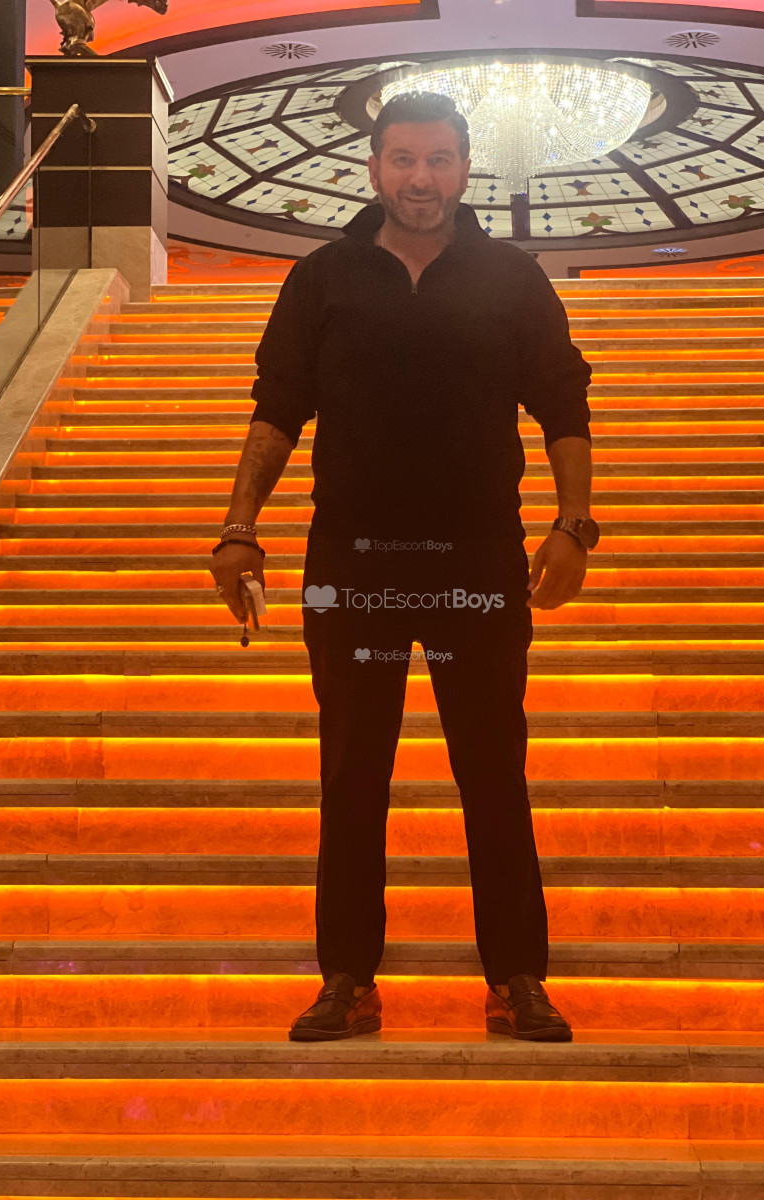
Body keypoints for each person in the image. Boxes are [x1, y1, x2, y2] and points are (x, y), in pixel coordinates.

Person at [210, 90, 597, 1044]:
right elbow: (278, 406)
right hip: (354, 566)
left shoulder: (512, 277)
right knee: (352, 774)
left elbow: (563, 403)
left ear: (464, 169)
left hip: (478, 564)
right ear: (375, 167)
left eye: (439, 160)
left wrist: (573, 526)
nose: (421, 178)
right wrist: (238, 528)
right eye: (404, 159)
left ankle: (517, 978)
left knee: (493, 772)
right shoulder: (323, 278)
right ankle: (347, 979)